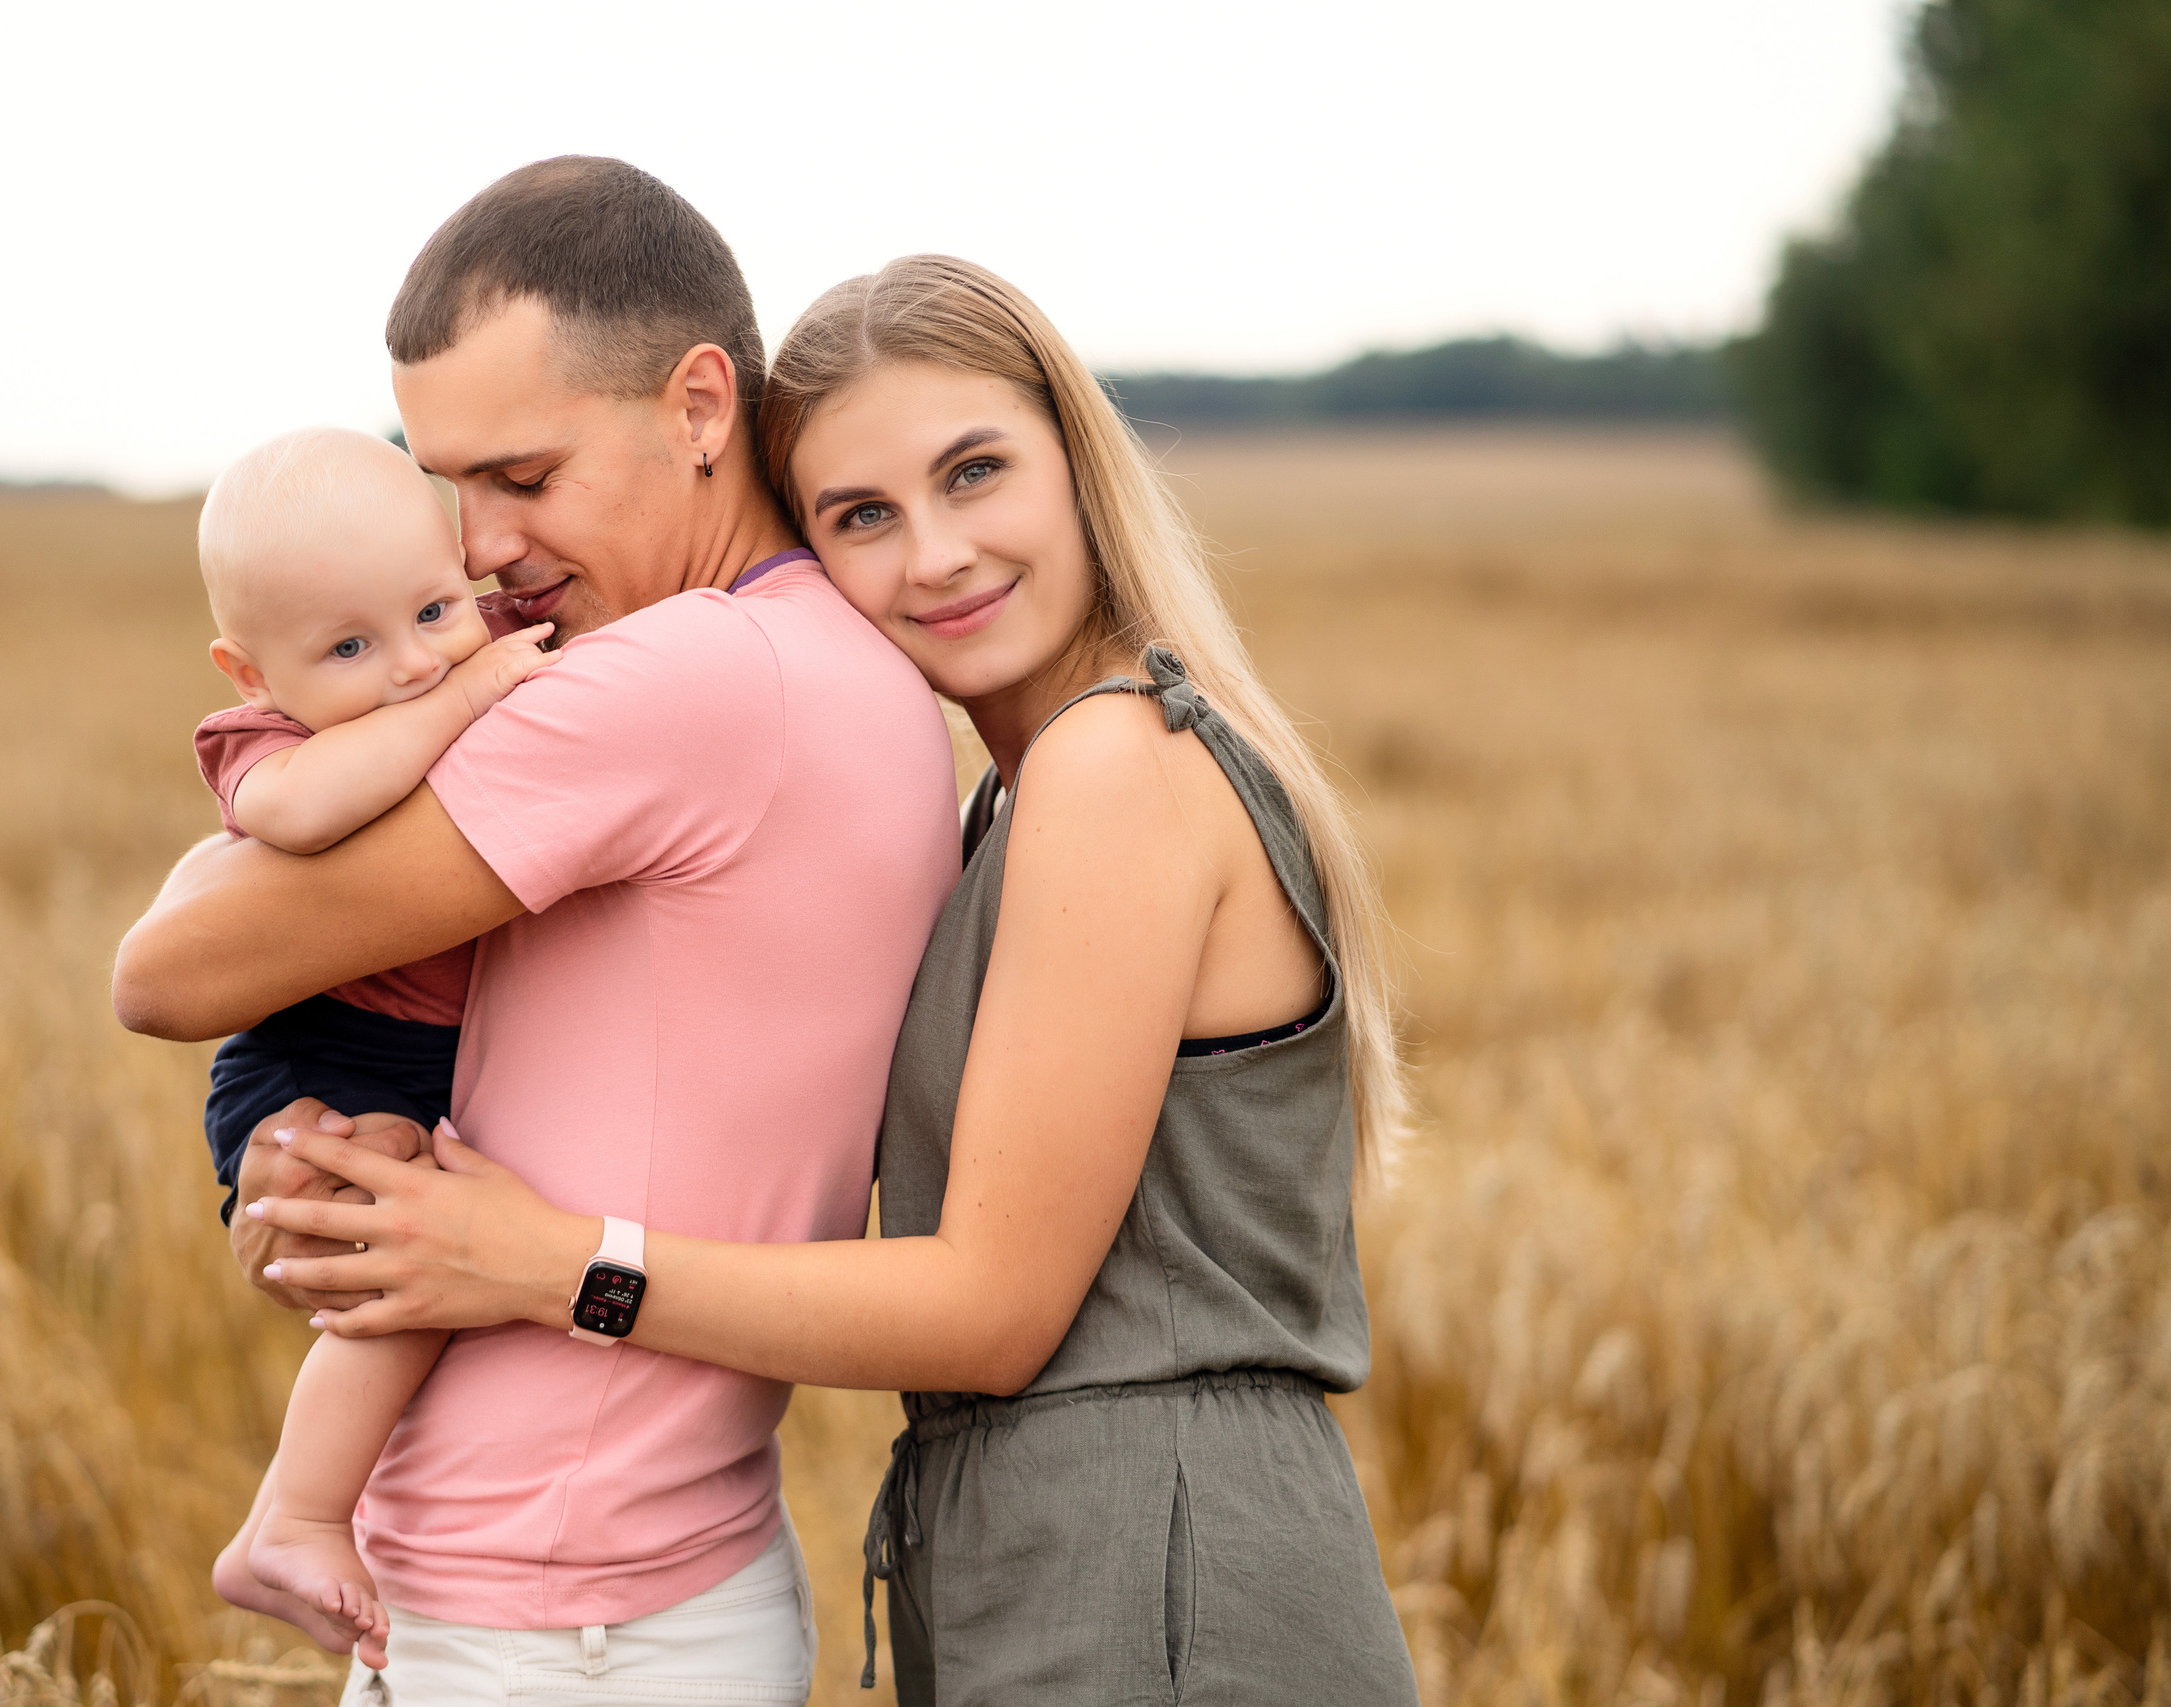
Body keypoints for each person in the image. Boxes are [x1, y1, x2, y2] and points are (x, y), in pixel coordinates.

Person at [243, 256, 1425, 1705]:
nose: (932, 556)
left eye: (975, 472)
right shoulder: (1025, 789)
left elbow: (993, 1305)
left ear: (1079, 463)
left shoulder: (1120, 767)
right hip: (1055, 1547)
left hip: (1165, 1574)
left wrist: (547, 1260)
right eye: (862, 514)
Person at [113, 160, 960, 1699]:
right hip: (648, 1569)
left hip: (548, 1620)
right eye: (451, 482)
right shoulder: (840, 659)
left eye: (523, 474)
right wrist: (344, 1190)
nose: (481, 542)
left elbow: (167, 971)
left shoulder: (679, 679)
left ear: (701, 405)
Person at [184, 424, 557, 1666]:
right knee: (406, 1230)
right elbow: (304, 814)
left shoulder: (481, 646)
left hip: (428, 1053)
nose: (406, 662)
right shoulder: (268, 747)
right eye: (348, 647)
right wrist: (465, 691)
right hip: (321, 1058)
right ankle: (291, 1517)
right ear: (252, 673)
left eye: (435, 608)